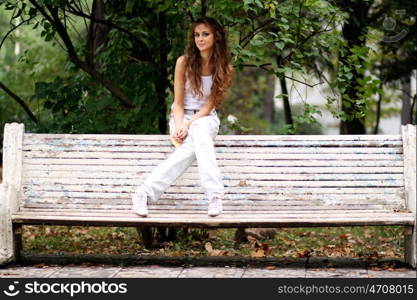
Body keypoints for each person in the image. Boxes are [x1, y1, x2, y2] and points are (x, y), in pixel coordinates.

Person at [132, 17, 234, 217]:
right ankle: (215, 196)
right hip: (180, 117)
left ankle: (143, 193)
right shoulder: (184, 62)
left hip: (205, 119)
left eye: (205, 34)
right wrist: (180, 125)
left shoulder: (224, 68)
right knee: (191, 147)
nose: (200, 39)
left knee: (199, 131)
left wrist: (189, 124)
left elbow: (208, 106)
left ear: (216, 37)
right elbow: (178, 103)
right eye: (197, 35)